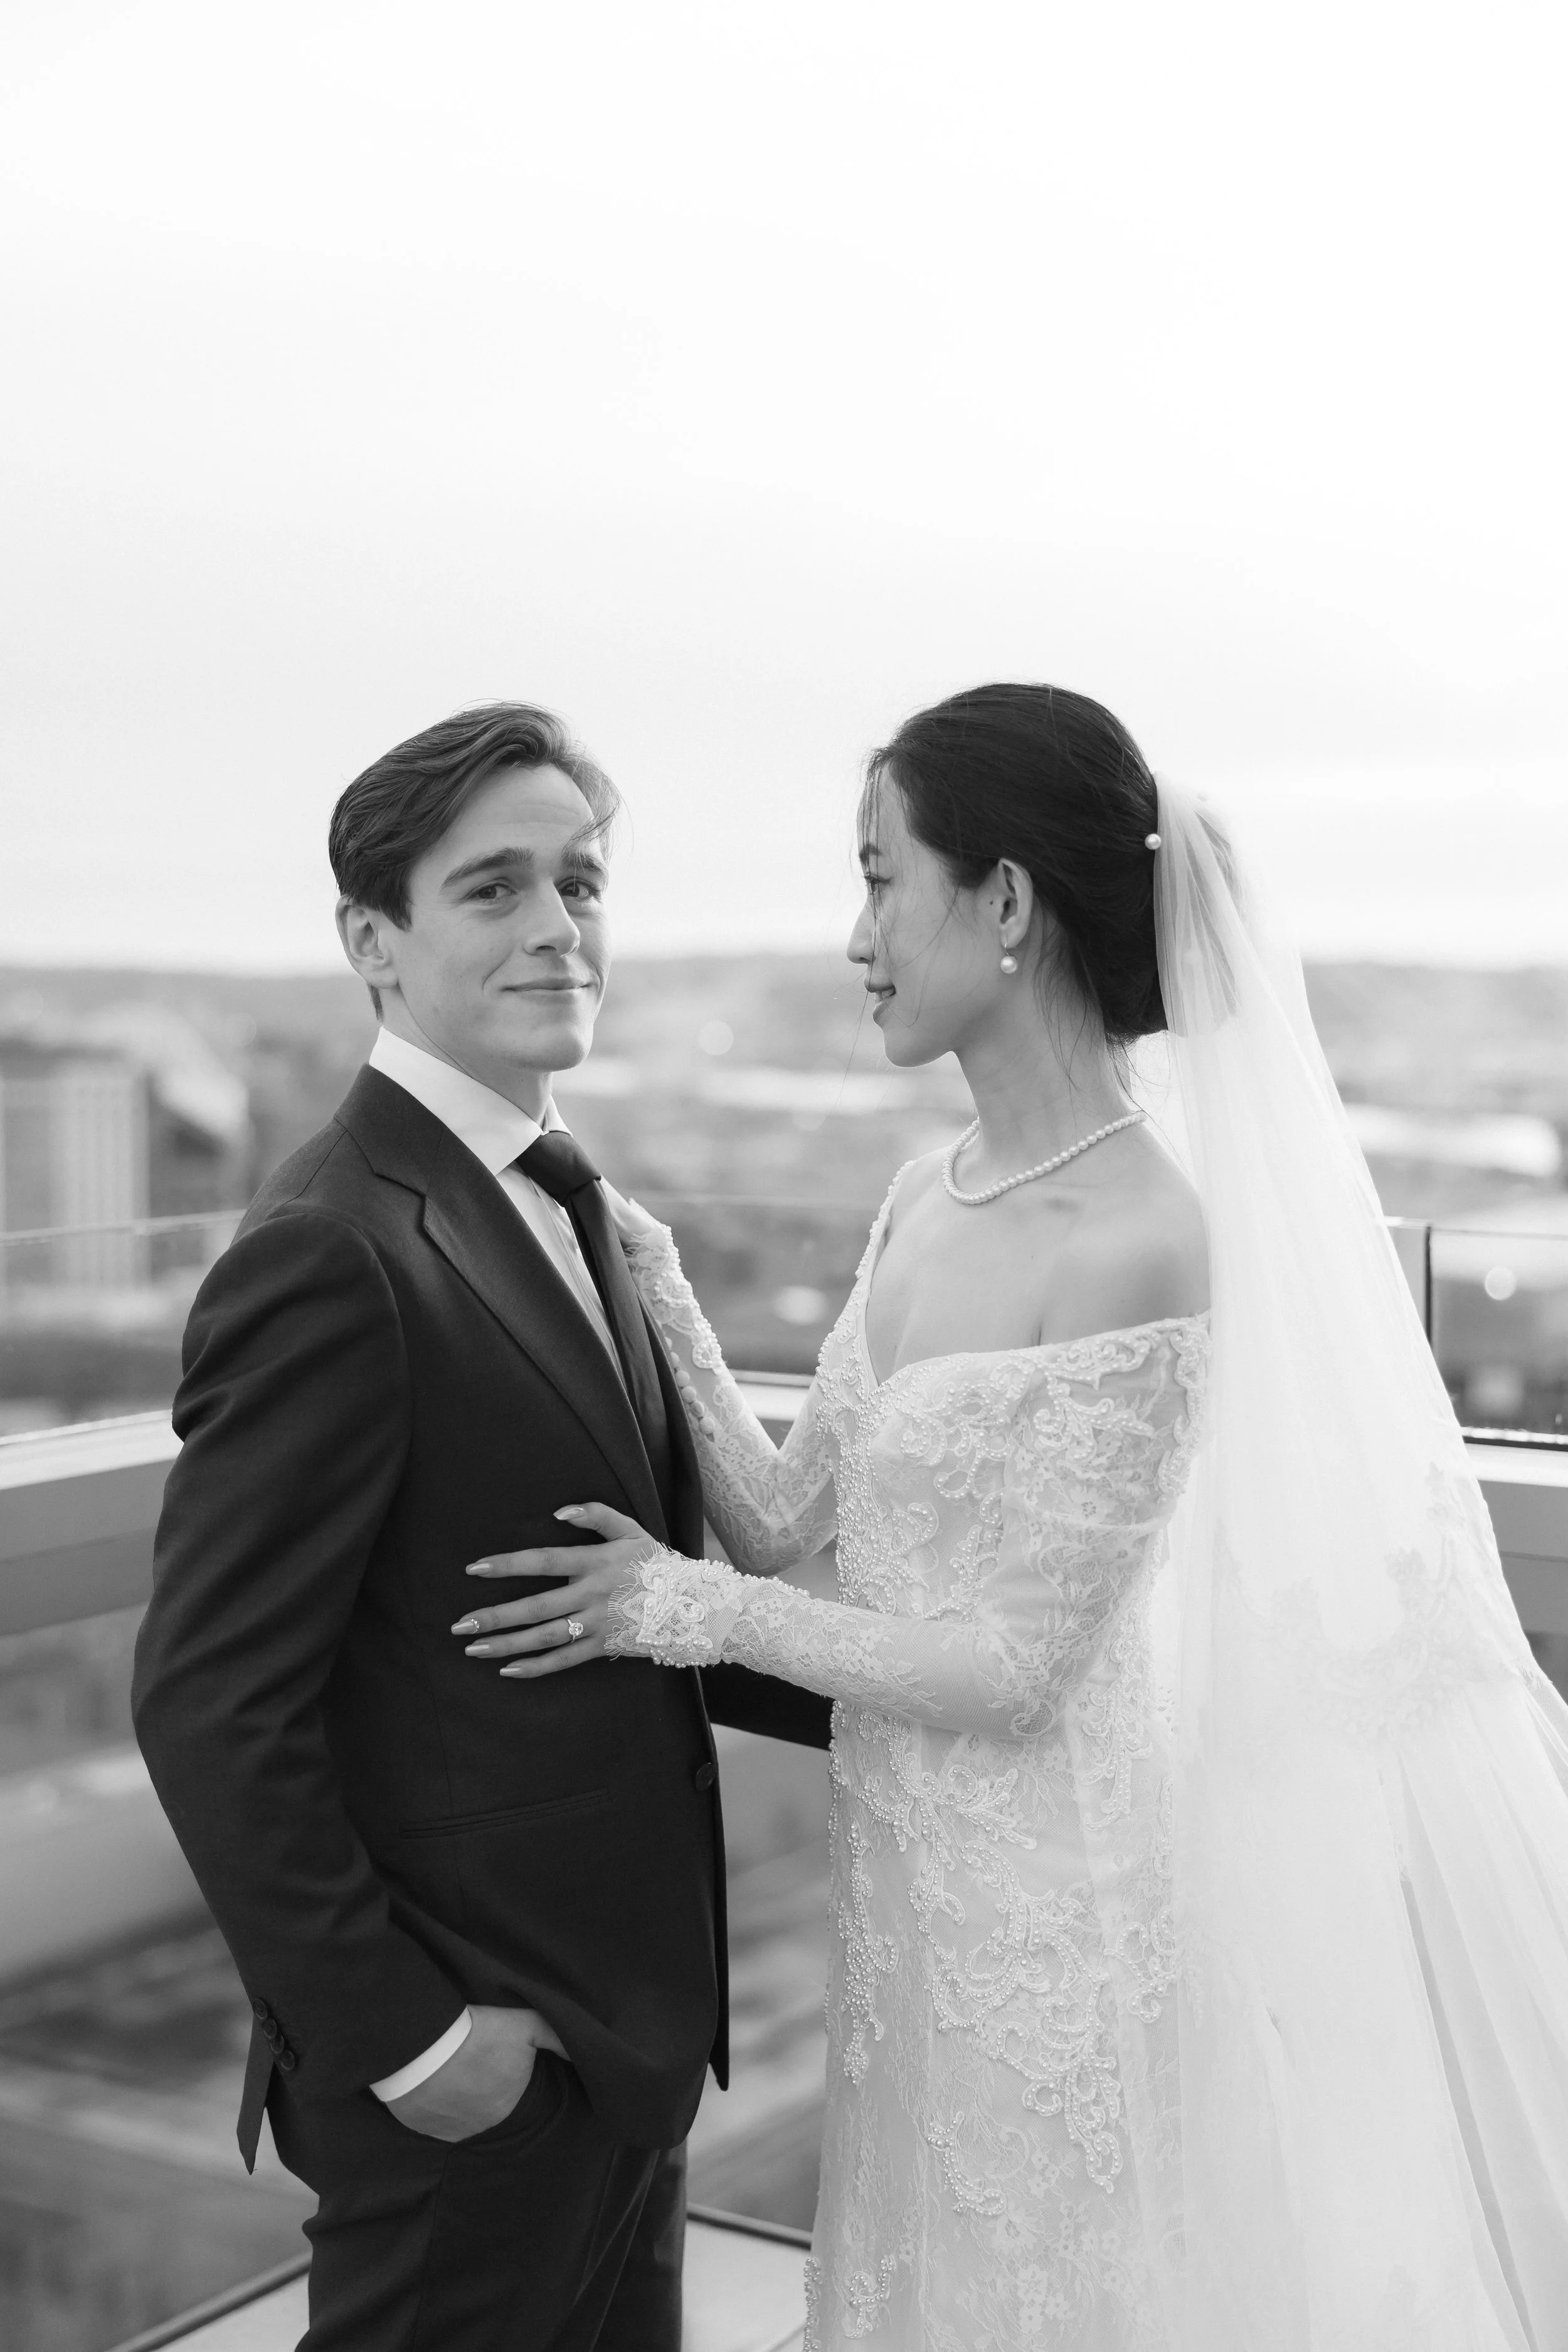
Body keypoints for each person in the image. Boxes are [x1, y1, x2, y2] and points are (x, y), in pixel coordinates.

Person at [459, 684, 1568, 2351]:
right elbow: (776, 1516)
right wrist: (661, 1284)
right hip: (903, 1884)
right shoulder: (925, 1186)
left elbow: (1010, 1670)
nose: (854, 937)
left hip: (1057, 1896)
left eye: (878, 877)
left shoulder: (1144, 1236)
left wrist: (664, 1611)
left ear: (1003, 902)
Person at [132, 703, 829, 2352]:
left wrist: (950, 1700)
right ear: (370, 941)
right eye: (493, 888)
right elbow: (209, 1699)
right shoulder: (333, 1247)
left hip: (620, 2044)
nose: (554, 927)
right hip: (478, 2065)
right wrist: (415, 2042)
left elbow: (624, 1599)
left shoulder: (571, 1201)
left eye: (578, 883)